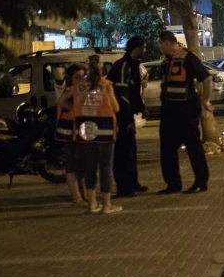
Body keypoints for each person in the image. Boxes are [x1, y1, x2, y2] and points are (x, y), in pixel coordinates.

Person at [59, 56, 122, 214]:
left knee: (90, 167)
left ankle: (92, 203)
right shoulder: (106, 85)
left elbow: (61, 100)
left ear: (86, 70)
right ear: (101, 69)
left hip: (86, 131)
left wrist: (75, 110)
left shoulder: (78, 86)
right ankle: (107, 204)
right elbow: (115, 108)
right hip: (105, 130)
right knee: (106, 167)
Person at [157, 31, 211, 194]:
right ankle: (173, 183)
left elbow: (206, 77)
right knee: (167, 148)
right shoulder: (167, 61)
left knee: (193, 146)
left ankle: (201, 181)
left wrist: (206, 100)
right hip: (169, 110)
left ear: (166, 43)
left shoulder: (187, 57)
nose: (160, 48)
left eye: (160, 44)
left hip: (186, 109)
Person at [108, 37, 149, 197]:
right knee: (121, 153)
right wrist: (128, 119)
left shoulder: (133, 66)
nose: (145, 51)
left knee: (131, 151)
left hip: (127, 115)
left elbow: (134, 93)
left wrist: (141, 108)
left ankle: (133, 183)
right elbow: (122, 96)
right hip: (119, 117)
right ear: (136, 48)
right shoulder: (123, 66)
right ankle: (123, 188)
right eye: (144, 48)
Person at [55, 63, 86, 206]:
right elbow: (60, 101)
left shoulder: (81, 90)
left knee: (82, 165)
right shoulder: (69, 90)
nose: (80, 79)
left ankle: (84, 196)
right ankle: (77, 198)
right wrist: (72, 108)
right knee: (72, 166)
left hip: (81, 132)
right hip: (70, 133)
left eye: (82, 76)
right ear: (70, 78)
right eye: (77, 77)